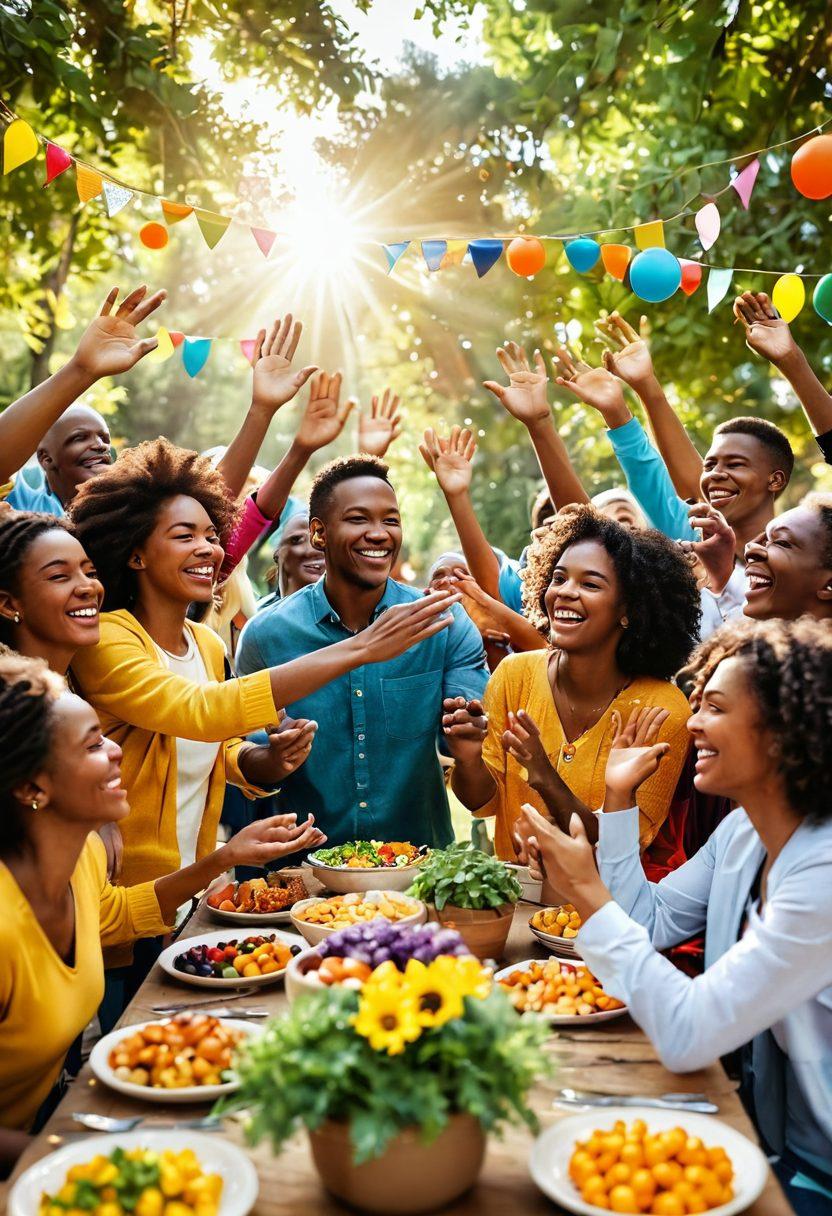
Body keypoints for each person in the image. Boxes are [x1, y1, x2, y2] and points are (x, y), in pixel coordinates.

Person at [516, 617, 832, 1213]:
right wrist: (618, 799)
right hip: (763, 1135)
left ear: (782, 732)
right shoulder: (742, 831)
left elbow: (688, 1035)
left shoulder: (824, 874)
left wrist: (585, 890)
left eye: (715, 707)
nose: (692, 723)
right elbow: (648, 923)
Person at [0, 651, 324, 1157]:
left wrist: (225, 858)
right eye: (93, 744)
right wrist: (67, 1150)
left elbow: (116, 914)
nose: (116, 750)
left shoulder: (81, 856)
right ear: (30, 786)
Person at [237, 452, 489, 847]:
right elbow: (245, 767)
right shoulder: (265, 635)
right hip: (298, 873)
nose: (379, 533)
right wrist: (274, 758)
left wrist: (469, 754)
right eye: (358, 519)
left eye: (391, 520)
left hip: (421, 871)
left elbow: (477, 798)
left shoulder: (444, 625)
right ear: (319, 534)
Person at [444, 505, 699, 860]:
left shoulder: (663, 709)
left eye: (590, 584)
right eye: (559, 578)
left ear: (629, 611)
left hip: (605, 895)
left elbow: (619, 849)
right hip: (515, 892)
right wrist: (468, 757)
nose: (564, 592)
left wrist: (543, 775)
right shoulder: (514, 675)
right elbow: (480, 802)